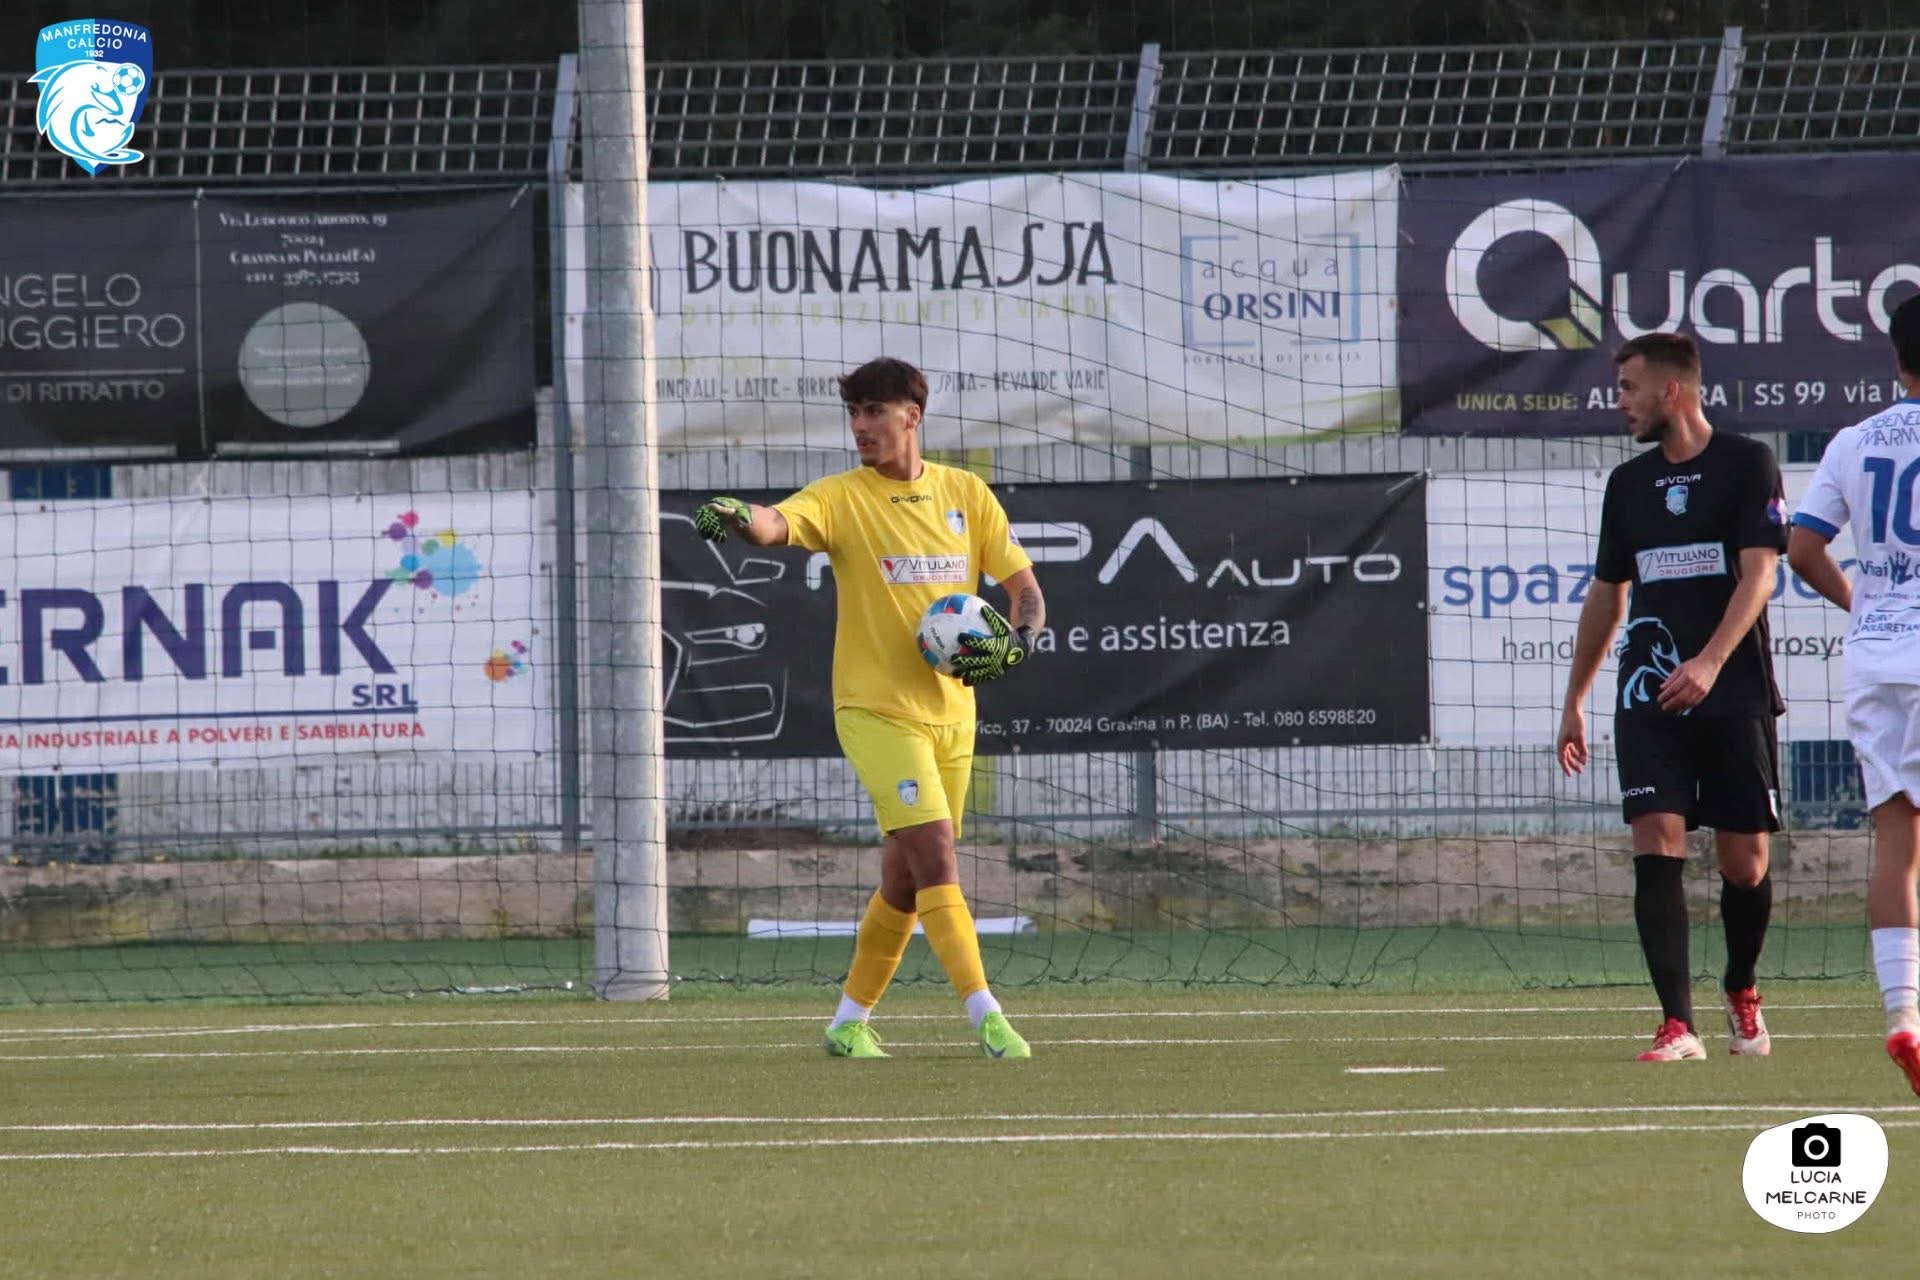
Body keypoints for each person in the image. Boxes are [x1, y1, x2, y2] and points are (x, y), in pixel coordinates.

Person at [692, 356, 1045, 1061]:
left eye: (874, 411)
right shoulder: (840, 497)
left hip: (953, 716)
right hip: (875, 712)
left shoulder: (965, 493)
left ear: (911, 416)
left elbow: (1026, 591)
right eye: (853, 413)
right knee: (937, 854)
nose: (860, 426)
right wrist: (738, 515)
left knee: (905, 883)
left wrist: (1018, 645)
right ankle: (987, 1016)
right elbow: (774, 524)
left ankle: (848, 1023)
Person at [1557, 331, 1787, 1063]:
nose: (1620, 402)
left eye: (1628, 387)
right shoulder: (1628, 485)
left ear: (1672, 390)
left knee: (1745, 864)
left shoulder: (1747, 463)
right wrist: (1575, 699)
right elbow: (1607, 595)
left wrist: (1711, 663)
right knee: (1657, 837)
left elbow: (1761, 575)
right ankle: (1677, 1024)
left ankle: (1741, 987)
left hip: (1733, 689)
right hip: (1647, 692)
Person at [1787, 294, 1920, 1094]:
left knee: (1897, 844)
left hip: (1877, 661)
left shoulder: (1854, 440)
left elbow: (1803, 549)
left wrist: (1863, 608)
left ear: (1897, 360)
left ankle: (1904, 1016)